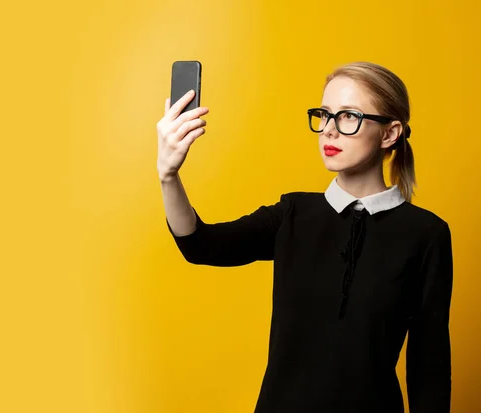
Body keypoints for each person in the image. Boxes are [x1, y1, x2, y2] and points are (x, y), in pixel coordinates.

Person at [156, 61, 453, 413]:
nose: (329, 130)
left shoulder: (426, 234)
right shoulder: (292, 215)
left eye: (348, 117)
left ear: (390, 133)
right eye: (325, 115)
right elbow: (199, 245)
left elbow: (429, 367)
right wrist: (168, 176)